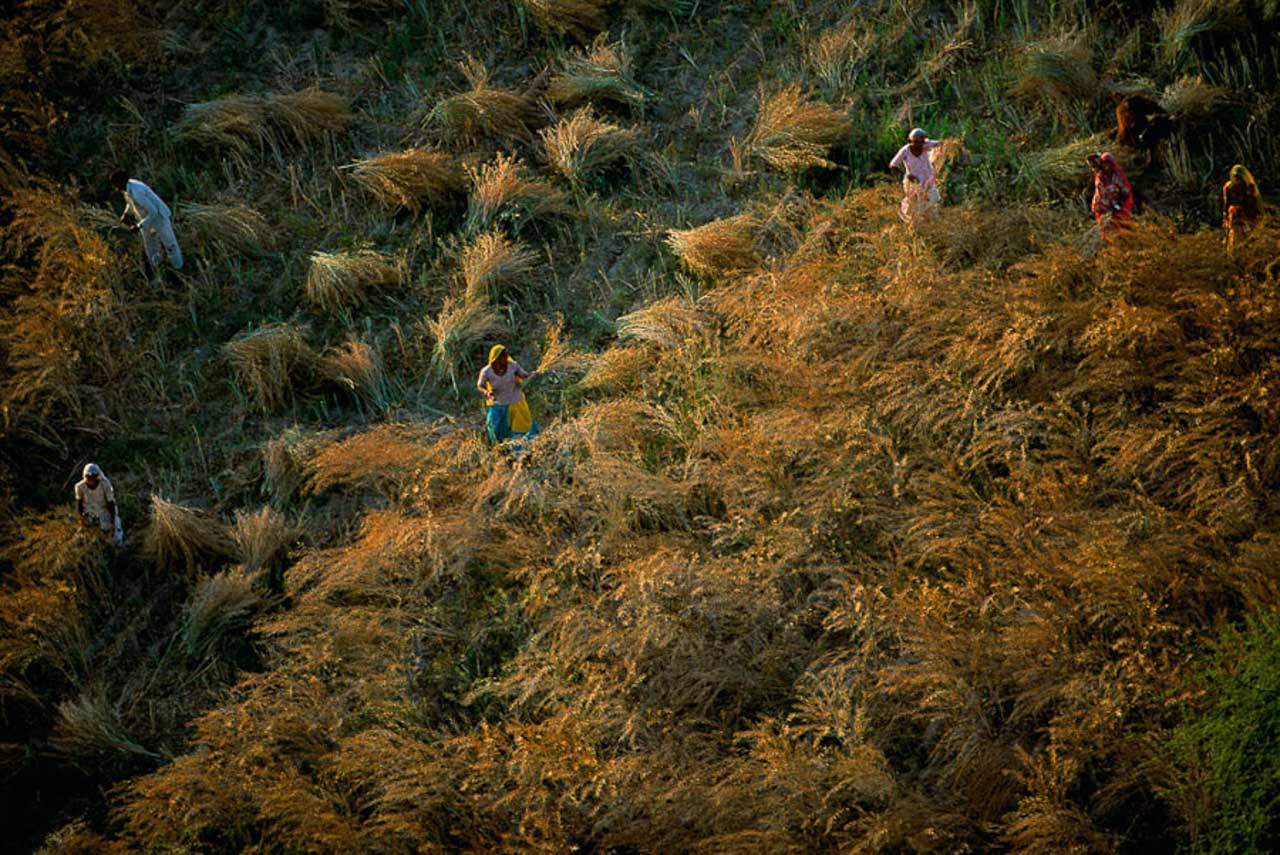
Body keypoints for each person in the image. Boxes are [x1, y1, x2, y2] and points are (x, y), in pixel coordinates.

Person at [111, 170, 183, 271]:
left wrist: (138, 226)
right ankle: (158, 269)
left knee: (170, 245)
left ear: (121, 182)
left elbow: (153, 211)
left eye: (116, 185)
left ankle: (179, 268)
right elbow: (130, 202)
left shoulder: (137, 192)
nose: (115, 188)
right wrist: (126, 214)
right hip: (147, 220)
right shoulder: (128, 188)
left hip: (159, 217)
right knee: (151, 247)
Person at [477, 344, 539, 449]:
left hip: (515, 404)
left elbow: (523, 375)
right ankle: (500, 449)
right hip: (497, 405)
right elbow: (480, 385)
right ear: (496, 359)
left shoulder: (513, 366)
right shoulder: (487, 371)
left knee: (518, 430)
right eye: (503, 357)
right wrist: (487, 392)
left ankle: (520, 453)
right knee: (496, 430)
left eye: (506, 356)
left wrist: (531, 375)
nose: (506, 359)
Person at [889, 128, 942, 225]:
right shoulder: (905, 151)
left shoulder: (926, 145)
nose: (919, 145)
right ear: (910, 141)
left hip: (928, 180)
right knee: (913, 204)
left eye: (921, 142)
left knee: (932, 201)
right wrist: (907, 175)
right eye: (916, 142)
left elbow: (941, 144)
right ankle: (912, 224)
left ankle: (929, 224)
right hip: (914, 183)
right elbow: (893, 165)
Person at [1088, 152, 1132, 242]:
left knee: (1122, 227)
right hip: (1102, 207)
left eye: (1108, 164)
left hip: (1117, 207)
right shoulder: (1100, 175)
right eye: (1104, 164)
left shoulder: (1118, 176)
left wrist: (1118, 205)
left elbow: (1125, 192)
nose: (1106, 167)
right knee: (1106, 229)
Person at [75, 463, 123, 546]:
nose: (90, 479)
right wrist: (81, 520)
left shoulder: (105, 485)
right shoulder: (80, 487)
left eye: (93, 477)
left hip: (104, 512)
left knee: (115, 537)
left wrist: (113, 522)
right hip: (89, 513)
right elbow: (79, 504)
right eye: (88, 477)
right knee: (83, 539)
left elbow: (110, 503)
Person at [1222, 164, 1262, 254]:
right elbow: (1227, 203)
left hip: (1247, 216)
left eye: (1239, 177)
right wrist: (1226, 216)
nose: (1237, 179)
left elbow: (1252, 203)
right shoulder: (1229, 187)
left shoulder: (1249, 187)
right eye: (1235, 177)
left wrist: (1248, 214)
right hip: (1234, 217)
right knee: (1234, 238)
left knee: (1247, 239)